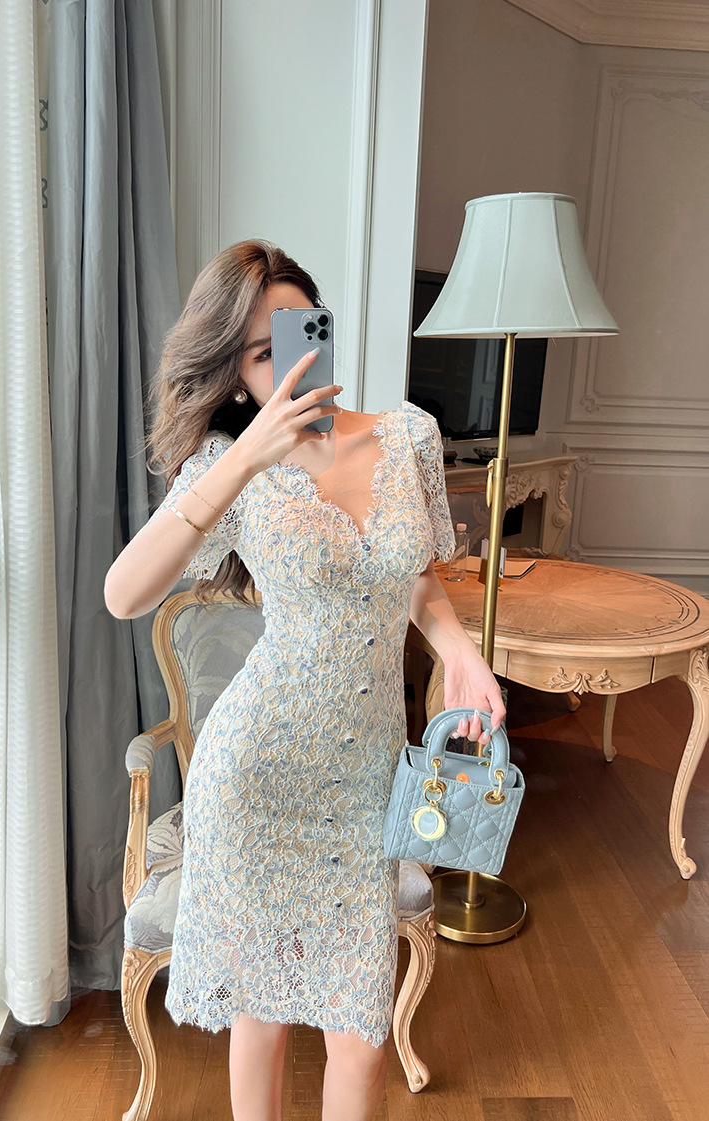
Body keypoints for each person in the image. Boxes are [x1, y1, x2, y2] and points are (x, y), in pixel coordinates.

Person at [104, 239, 505, 1121]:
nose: (288, 357)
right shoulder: (232, 470)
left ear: (320, 326)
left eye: (298, 327)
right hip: (257, 776)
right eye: (260, 349)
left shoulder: (406, 436)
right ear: (234, 373)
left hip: (365, 778)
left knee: (360, 1035)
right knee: (262, 1022)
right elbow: (124, 593)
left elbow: (418, 581)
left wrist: (459, 651)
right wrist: (246, 457)